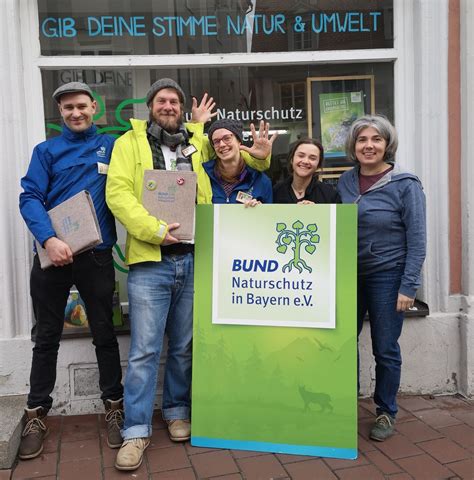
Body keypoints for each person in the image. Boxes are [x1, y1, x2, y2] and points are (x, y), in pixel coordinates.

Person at [105, 78, 273, 471]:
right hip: (150, 261)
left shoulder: (194, 142)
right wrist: (153, 230)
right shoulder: (128, 144)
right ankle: (135, 431)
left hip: (192, 259)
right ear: (150, 106)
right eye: (162, 100)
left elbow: (235, 162)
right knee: (145, 350)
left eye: (174, 101)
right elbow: (118, 194)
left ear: (181, 109)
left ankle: (177, 410)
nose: (168, 106)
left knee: (182, 345)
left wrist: (261, 159)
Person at [18, 82, 124, 460]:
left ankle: (114, 407)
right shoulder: (45, 152)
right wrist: (48, 239)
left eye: (81, 106)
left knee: (104, 334)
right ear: (60, 113)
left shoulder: (114, 146)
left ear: (95, 107)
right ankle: (36, 413)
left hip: (95, 256)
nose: (75, 113)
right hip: (54, 257)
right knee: (45, 337)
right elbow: (29, 196)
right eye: (68, 108)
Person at [337, 115, 426, 441]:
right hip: (349, 276)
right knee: (344, 343)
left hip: (388, 277)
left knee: (385, 347)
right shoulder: (346, 181)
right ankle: (345, 404)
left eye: (376, 139)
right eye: (362, 140)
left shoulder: (406, 184)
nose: (369, 145)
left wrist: (408, 286)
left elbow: (417, 239)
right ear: (354, 146)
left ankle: (386, 412)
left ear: (387, 145)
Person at [204, 119, 274, 204]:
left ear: (239, 141)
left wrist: (259, 211)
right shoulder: (205, 178)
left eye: (227, 138)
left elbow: (268, 216)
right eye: (216, 141)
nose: (221, 144)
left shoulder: (261, 181)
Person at [273, 138, 340, 204]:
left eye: (312, 158)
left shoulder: (330, 194)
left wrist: (318, 211)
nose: (305, 161)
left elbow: (340, 215)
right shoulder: (276, 191)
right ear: (291, 159)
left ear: (318, 165)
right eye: (301, 156)